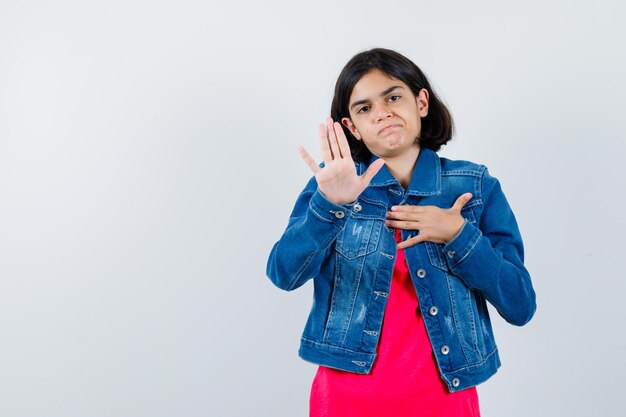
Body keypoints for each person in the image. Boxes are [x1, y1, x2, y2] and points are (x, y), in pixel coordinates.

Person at [266, 48, 536, 417]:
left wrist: (459, 234)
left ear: (421, 102)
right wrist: (329, 206)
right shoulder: (332, 185)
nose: (382, 113)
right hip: (346, 400)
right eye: (364, 109)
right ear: (351, 127)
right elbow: (283, 275)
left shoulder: (475, 186)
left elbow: (520, 304)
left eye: (393, 97)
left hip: (444, 401)